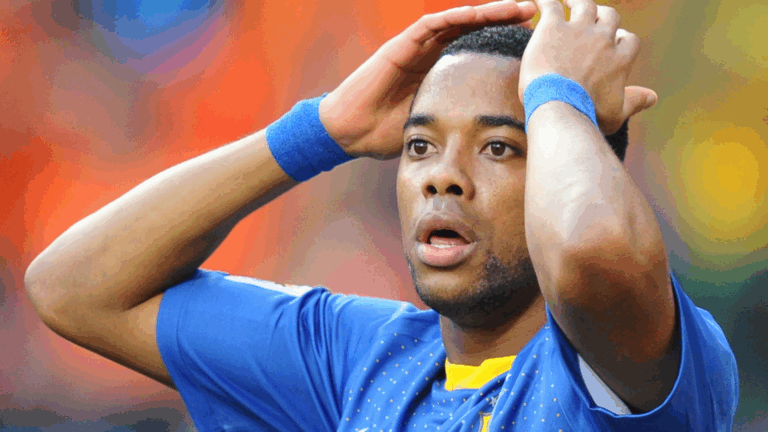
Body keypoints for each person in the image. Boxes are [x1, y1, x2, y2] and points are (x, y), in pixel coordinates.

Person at [24, 0, 738, 430]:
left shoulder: (633, 361)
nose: (441, 177)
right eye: (420, 145)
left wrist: (558, 94)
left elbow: (590, 251)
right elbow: (74, 288)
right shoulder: (353, 359)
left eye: (499, 147)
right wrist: (320, 131)